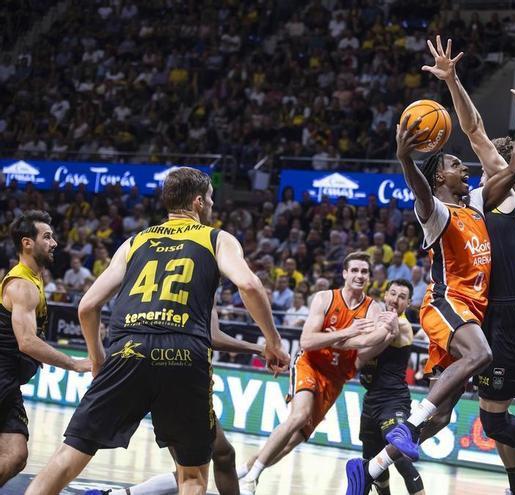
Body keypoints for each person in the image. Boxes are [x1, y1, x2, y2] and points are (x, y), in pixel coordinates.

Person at [345, 38, 515, 495]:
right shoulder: (453, 204)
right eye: (463, 163)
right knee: (462, 410)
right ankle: (378, 465)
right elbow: (466, 140)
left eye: (479, 160)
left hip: (505, 312)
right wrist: (450, 83)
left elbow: (494, 150)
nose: (474, 164)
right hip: (467, 309)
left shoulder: (492, 194)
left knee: (488, 417)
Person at [26, 167, 291, 495]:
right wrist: (274, 342)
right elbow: (249, 284)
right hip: (183, 352)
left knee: (69, 454)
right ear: (197, 203)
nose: (211, 206)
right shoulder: (216, 238)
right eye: (209, 199)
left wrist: (98, 360)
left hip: (128, 348)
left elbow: (87, 307)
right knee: (192, 477)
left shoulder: (135, 241)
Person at [239, 252, 397, 494]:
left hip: (335, 378)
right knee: (299, 416)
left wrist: (338, 338)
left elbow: (371, 340)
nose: (359, 275)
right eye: (354, 270)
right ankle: (253, 478)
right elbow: (307, 340)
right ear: (344, 273)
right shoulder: (324, 298)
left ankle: (245, 471)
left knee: (294, 440)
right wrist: (349, 332)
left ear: (369, 277)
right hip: (310, 364)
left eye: (364, 271)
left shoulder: (373, 308)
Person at [98, 309, 279, 495]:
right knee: (195, 471)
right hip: (177, 373)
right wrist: (259, 348)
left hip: (159, 368)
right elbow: (213, 337)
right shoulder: (202, 283)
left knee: (218, 457)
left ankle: (115, 494)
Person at [0, 211, 91, 487]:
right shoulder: (22, 285)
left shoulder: (36, 279)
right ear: (27, 243)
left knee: (15, 454)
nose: (55, 243)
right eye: (47, 237)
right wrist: (74, 364)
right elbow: (27, 342)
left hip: (9, 382)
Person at [357, 279, 424, 495]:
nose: (395, 300)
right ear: (385, 295)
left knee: (401, 459)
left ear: (409, 303)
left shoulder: (402, 326)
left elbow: (366, 339)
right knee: (373, 464)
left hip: (394, 400)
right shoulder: (375, 317)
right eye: (392, 294)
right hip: (371, 400)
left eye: (402, 297)